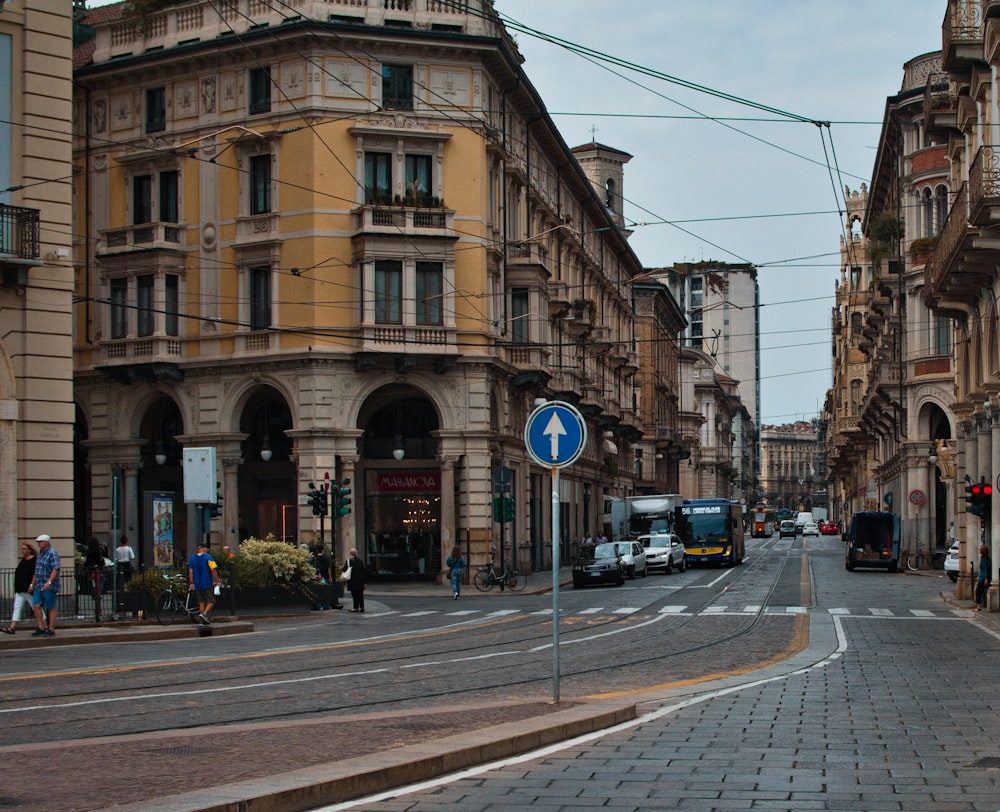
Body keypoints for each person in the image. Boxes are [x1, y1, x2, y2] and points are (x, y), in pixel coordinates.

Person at [28, 534, 60, 637]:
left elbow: (55, 569)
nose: (39, 544)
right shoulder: (40, 554)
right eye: (38, 542)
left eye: (41, 542)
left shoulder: (52, 553)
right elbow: (37, 571)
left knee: (50, 606)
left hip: (48, 585)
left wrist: (49, 582)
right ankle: (41, 627)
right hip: (39, 584)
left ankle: (51, 628)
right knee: (36, 605)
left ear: (47, 542)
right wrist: (32, 584)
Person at [2, 541, 37, 634]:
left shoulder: (33, 560)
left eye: (24, 549)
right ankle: (12, 627)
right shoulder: (23, 560)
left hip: (28, 588)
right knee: (17, 607)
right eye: (22, 549)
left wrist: (31, 585)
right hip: (20, 589)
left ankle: (44, 625)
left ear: (29, 550)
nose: (22, 551)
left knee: (36, 607)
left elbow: (35, 574)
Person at [187, 541, 221, 625]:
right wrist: (217, 581)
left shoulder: (192, 558)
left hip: (197, 584)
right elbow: (213, 570)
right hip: (207, 582)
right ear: (204, 549)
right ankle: (204, 614)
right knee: (211, 601)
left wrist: (191, 582)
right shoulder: (209, 557)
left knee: (201, 602)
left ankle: (203, 621)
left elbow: (190, 571)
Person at [84, 537, 106, 622]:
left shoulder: (89, 551)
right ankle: (98, 610)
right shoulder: (99, 550)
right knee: (98, 589)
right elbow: (103, 558)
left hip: (91, 572)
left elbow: (87, 562)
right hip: (98, 572)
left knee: (94, 588)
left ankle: (96, 602)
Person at [344, 548, 366, 612]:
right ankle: (362, 607)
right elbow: (364, 572)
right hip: (360, 581)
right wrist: (364, 582)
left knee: (354, 594)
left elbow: (344, 570)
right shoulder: (360, 561)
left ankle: (355, 607)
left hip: (352, 581)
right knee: (360, 594)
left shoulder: (349, 561)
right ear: (356, 553)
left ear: (350, 554)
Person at [975, 543, 992, 612]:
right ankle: (983, 604)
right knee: (983, 591)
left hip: (983, 578)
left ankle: (978, 606)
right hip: (986, 577)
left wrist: (985, 578)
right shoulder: (988, 558)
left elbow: (985, 569)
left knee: (978, 592)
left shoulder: (983, 559)